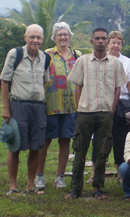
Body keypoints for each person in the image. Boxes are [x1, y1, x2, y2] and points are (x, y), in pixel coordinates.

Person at [65, 27, 127, 200]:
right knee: (80, 149)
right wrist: (79, 107)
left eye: (103, 38)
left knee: (102, 151)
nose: (100, 41)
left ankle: (97, 187)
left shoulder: (115, 63)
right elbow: (77, 86)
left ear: (108, 41)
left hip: (105, 113)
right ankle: (75, 188)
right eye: (97, 38)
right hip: (85, 111)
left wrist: (112, 109)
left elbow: (117, 88)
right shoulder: (82, 61)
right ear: (92, 41)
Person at [1, 24, 50, 195]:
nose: (35, 41)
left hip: (38, 107)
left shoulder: (45, 58)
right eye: (32, 37)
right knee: (14, 145)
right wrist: (6, 107)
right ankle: (13, 186)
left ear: (43, 39)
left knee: (36, 145)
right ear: (25, 37)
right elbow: (5, 81)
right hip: (18, 105)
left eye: (38, 38)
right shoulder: (15, 54)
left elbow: (45, 81)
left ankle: (31, 184)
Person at [88, 31, 130, 184]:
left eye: (119, 43)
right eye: (113, 42)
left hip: (122, 104)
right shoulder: (99, 59)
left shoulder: (127, 62)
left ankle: (120, 174)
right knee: (99, 139)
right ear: (108, 43)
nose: (116, 45)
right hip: (102, 102)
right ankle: (95, 173)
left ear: (122, 44)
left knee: (120, 140)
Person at [35, 22, 81, 189]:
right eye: (59, 34)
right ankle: (39, 176)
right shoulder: (46, 55)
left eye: (65, 34)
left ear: (70, 36)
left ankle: (59, 177)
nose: (63, 37)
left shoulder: (77, 55)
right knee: (45, 141)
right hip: (51, 105)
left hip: (71, 106)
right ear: (54, 37)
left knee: (65, 141)